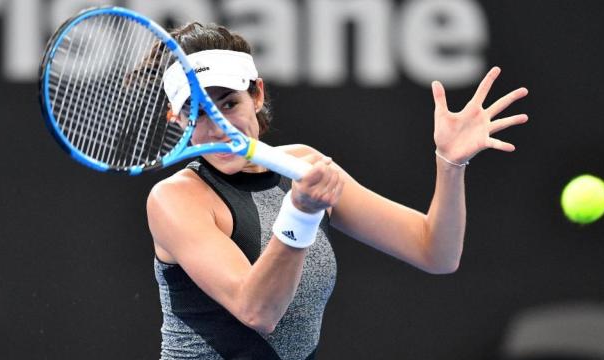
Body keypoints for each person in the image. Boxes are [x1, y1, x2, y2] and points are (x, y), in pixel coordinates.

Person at [146, 22, 528, 360]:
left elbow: (436, 252)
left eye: (229, 104)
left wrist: (450, 163)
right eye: (197, 113)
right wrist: (300, 212)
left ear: (257, 95)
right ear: (177, 120)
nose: (219, 128)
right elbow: (257, 312)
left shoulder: (303, 164)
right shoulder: (176, 198)